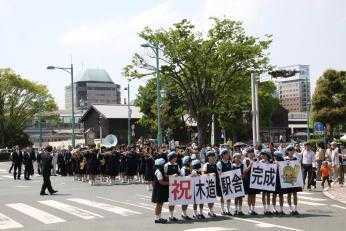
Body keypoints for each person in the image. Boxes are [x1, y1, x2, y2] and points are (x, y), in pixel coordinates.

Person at [285, 145, 302, 215]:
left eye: (292, 150)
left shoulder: (296, 159)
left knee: (295, 194)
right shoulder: (284, 159)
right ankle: (290, 208)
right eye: (290, 150)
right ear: (287, 151)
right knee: (289, 194)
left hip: (294, 179)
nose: (291, 152)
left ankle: (295, 208)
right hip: (287, 179)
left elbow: (298, 167)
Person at [164, 151, 180, 222]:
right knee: (170, 200)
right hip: (169, 184)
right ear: (170, 158)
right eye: (173, 158)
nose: (175, 159)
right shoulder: (167, 165)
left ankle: (172, 215)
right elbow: (164, 175)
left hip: (176, 184)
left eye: (175, 158)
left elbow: (179, 173)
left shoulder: (177, 165)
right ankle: (171, 216)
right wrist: (172, 176)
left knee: (173, 200)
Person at [152, 158, 169, 224]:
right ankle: (157, 218)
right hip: (159, 189)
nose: (164, 165)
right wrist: (169, 183)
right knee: (159, 204)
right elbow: (161, 182)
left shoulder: (160, 170)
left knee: (160, 204)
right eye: (163, 164)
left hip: (160, 189)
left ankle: (159, 217)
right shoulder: (158, 171)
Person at [216, 149, 233, 216]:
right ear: (222, 155)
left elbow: (231, 171)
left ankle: (228, 210)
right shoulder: (219, 163)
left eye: (228, 154)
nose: (228, 155)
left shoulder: (230, 163)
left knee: (229, 196)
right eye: (226, 154)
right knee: (223, 197)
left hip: (229, 182)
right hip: (222, 182)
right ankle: (222, 210)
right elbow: (219, 173)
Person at [202, 150, 217, 218]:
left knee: (213, 198)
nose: (212, 157)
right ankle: (210, 211)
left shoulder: (215, 164)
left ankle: (211, 211)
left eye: (213, 156)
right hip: (207, 184)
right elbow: (203, 174)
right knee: (209, 198)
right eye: (210, 156)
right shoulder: (206, 165)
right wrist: (210, 174)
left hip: (213, 184)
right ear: (207, 157)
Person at [180, 155, 193, 220]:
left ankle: (184, 213)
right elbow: (184, 178)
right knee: (184, 201)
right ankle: (183, 213)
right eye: (190, 161)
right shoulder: (183, 169)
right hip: (184, 186)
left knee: (187, 201)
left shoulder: (189, 168)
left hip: (189, 185)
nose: (191, 163)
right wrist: (191, 175)